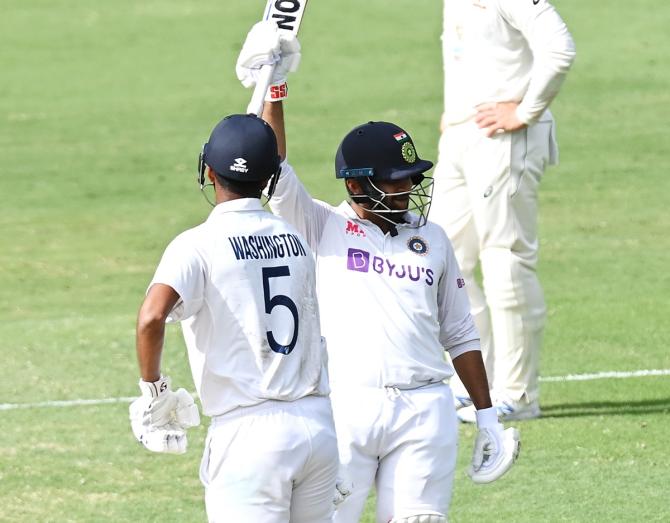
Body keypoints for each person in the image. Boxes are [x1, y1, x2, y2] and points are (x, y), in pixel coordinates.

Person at [235, 21, 521, 523]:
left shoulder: (432, 240)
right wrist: (274, 89)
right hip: (347, 409)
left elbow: (460, 333)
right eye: (395, 181)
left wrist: (486, 414)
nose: (408, 189)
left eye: (411, 178)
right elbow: (275, 170)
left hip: (426, 411)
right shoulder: (321, 226)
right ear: (359, 186)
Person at [128, 108, 340, 521]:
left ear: (208, 172)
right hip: (317, 428)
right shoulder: (294, 237)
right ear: (269, 178)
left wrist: (154, 390)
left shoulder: (196, 245)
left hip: (249, 438)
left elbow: (151, 317)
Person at [431, 0, 576, 422]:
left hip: (504, 139)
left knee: (505, 261)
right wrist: (454, 112)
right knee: (447, 258)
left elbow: (559, 47)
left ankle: (518, 394)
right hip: (463, 135)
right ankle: (476, 382)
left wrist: (526, 110)